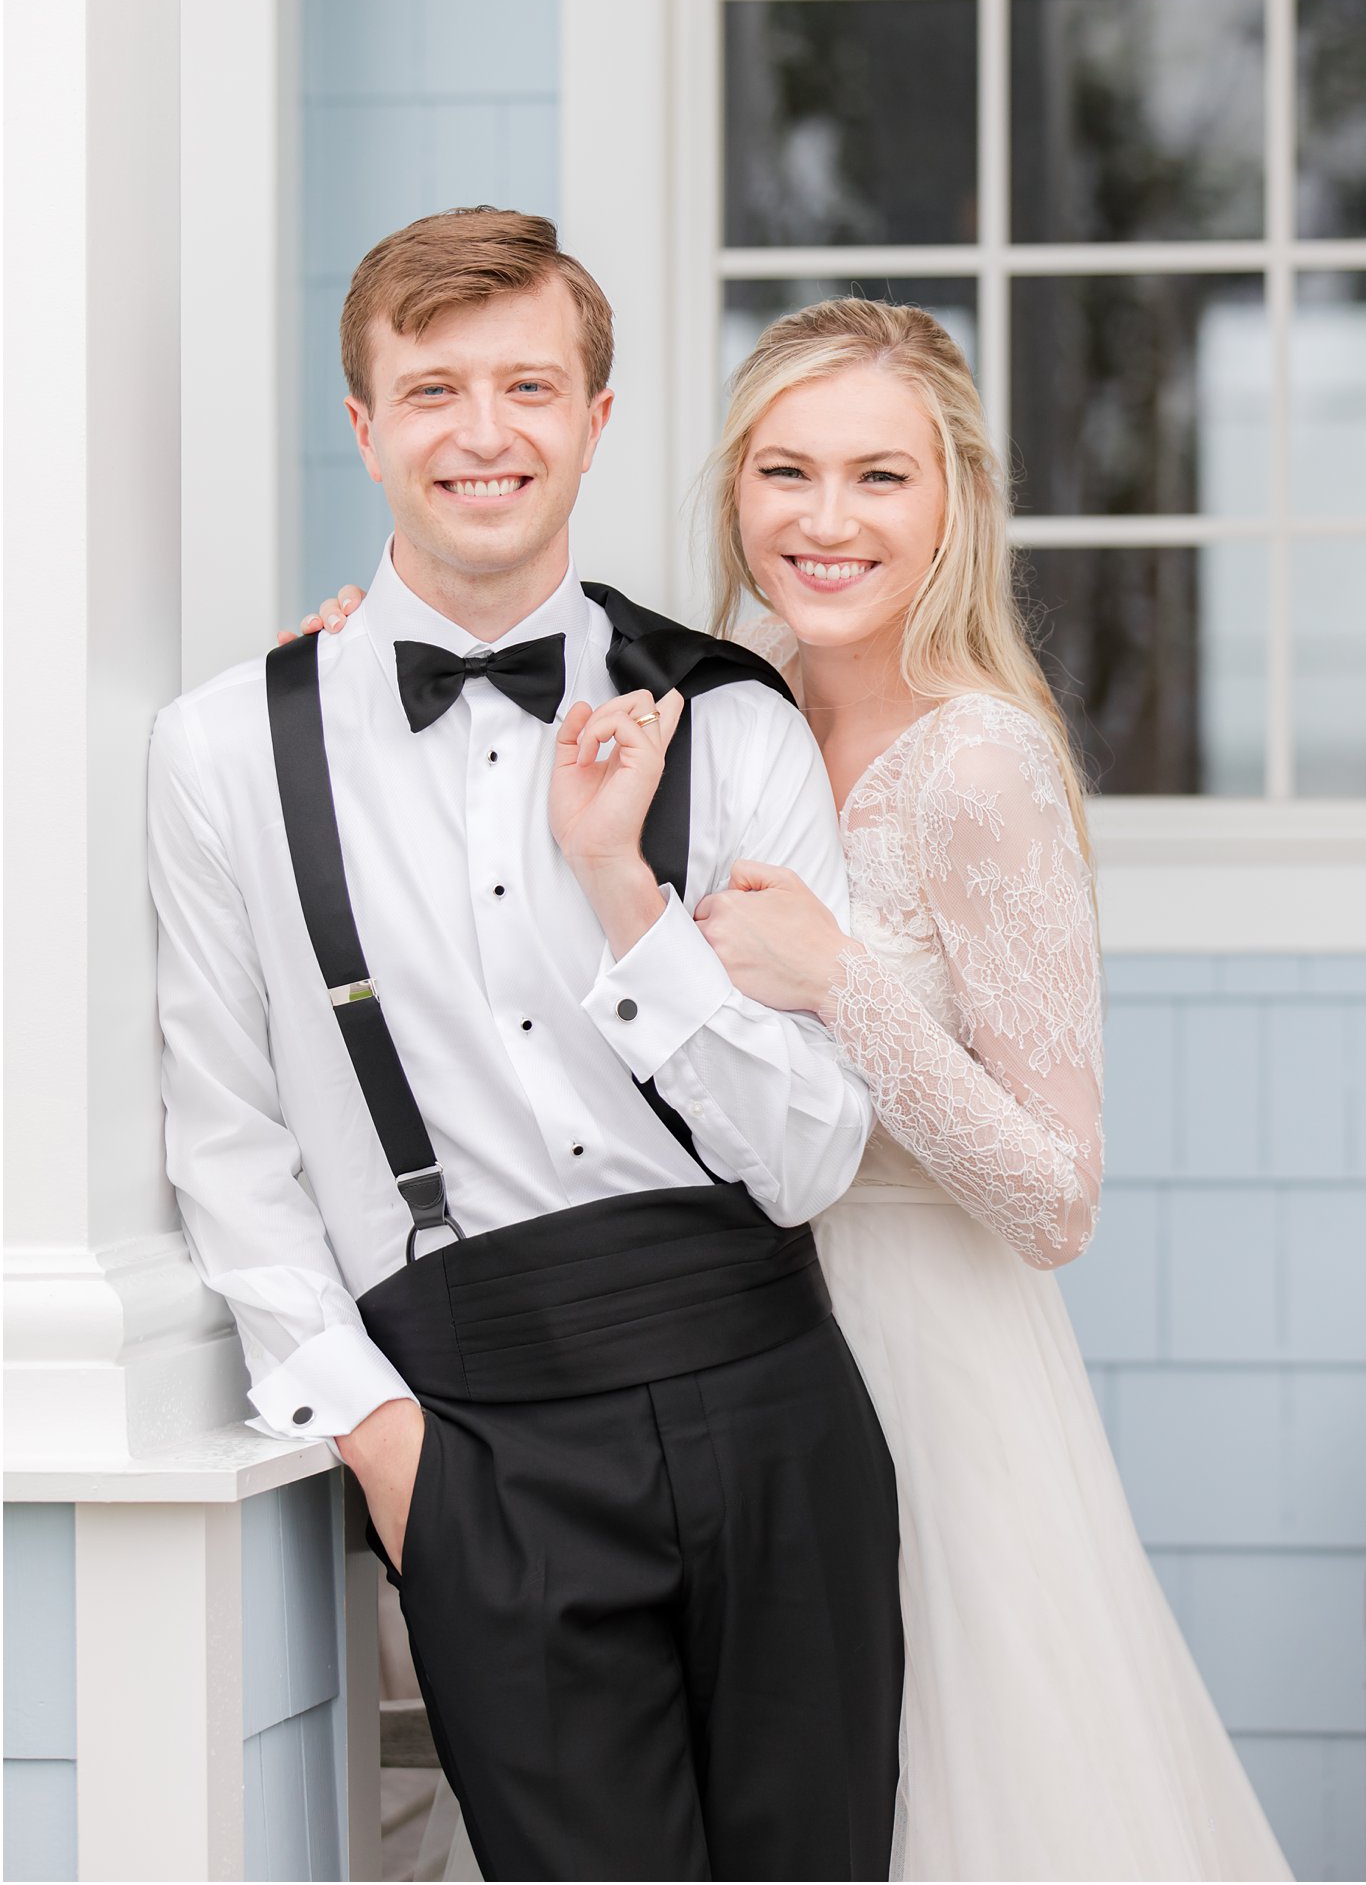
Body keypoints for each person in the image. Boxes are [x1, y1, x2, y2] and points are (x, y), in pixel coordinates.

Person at [309, 295, 1293, 1883]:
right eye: (787, 472)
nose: (826, 522)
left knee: (938, 1812)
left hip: (924, 1365)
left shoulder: (979, 768)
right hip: (699, 1354)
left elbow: (1059, 1196)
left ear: (954, 500)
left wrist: (844, 977)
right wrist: (343, 665)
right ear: (733, 490)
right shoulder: (703, 705)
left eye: (879, 478)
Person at [149, 212, 903, 1884]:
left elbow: (810, 1156)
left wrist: (624, 897)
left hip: (770, 1397)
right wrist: (388, 1444)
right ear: (363, 426)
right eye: (431, 390)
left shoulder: (738, 719)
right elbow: (230, 1135)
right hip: (472, 1431)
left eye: (527, 385)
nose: (482, 433)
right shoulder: (222, 752)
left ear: (596, 416)